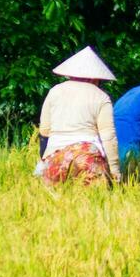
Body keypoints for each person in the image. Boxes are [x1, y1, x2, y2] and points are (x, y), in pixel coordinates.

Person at [36, 46, 123, 185]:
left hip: (55, 159)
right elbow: (109, 138)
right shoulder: (101, 97)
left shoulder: (55, 91)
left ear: (70, 74)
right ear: (96, 77)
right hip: (86, 157)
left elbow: (44, 131)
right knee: (94, 201)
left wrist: (43, 161)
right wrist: (114, 171)